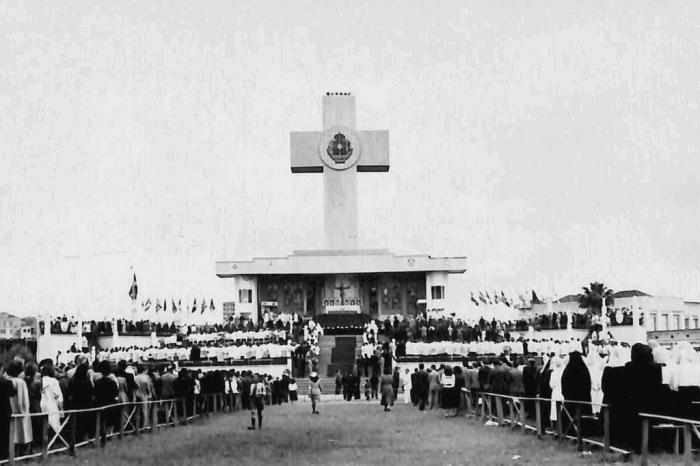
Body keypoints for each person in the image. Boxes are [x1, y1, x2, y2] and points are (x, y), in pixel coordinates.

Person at [6, 361, 32, 454]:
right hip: (21, 411)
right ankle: (23, 452)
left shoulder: (7, 380)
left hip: (11, 410)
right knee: (23, 433)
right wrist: (24, 410)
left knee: (13, 434)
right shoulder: (20, 382)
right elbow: (23, 398)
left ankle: (13, 452)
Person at [40, 364, 63, 435]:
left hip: (42, 403)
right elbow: (57, 396)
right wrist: (61, 409)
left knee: (44, 423)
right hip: (52, 404)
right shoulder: (54, 381)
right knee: (53, 423)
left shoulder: (41, 380)